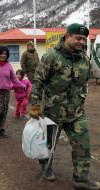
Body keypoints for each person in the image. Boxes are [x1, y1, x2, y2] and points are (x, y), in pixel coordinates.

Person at [30, 23, 100, 189]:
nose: (81, 42)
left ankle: (80, 179)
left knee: (83, 144)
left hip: (76, 112)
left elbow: (84, 83)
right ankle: (46, 168)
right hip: (52, 112)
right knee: (49, 144)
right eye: (78, 38)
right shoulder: (51, 57)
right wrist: (34, 104)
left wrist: (82, 97)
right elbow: (38, 81)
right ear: (67, 36)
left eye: (84, 39)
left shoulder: (84, 58)